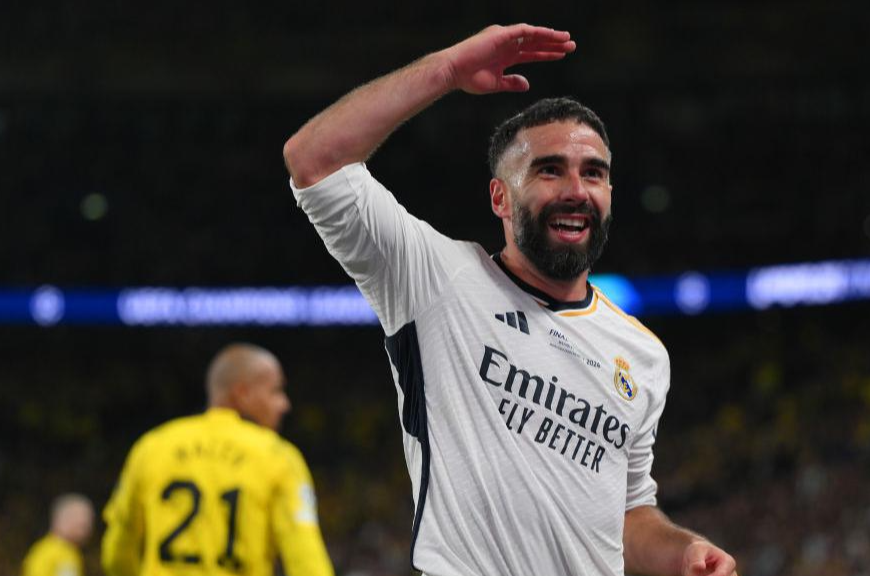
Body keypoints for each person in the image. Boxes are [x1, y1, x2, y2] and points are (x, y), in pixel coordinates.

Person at [282, 23, 737, 576]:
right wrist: (447, 70)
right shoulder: (436, 280)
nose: (576, 190)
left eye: (593, 174)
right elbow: (314, 160)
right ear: (500, 196)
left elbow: (627, 515)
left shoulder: (643, 355)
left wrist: (683, 551)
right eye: (550, 170)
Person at [101, 343, 334, 576]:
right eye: (275, 391)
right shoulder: (278, 456)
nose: (284, 404)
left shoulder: (152, 447)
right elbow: (306, 562)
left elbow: (117, 553)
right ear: (243, 393)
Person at [22, 493, 94, 576]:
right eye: (82, 524)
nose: (88, 528)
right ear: (64, 519)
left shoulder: (41, 549)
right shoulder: (63, 554)